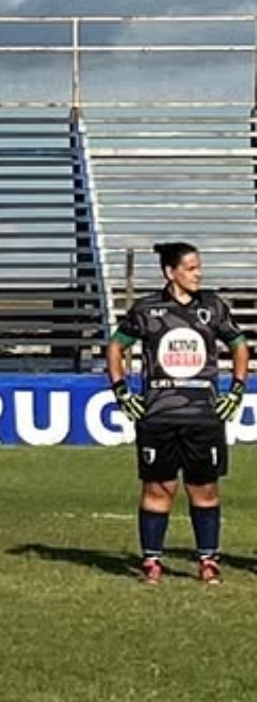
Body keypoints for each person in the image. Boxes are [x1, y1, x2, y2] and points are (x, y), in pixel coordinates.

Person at [106, 241, 248, 586]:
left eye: (199, 267)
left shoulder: (212, 307)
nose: (198, 274)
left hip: (204, 417)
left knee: (205, 490)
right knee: (158, 489)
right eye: (191, 268)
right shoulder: (146, 309)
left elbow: (239, 345)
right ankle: (152, 561)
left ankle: (208, 561)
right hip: (158, 416)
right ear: (171, 272)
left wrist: (237, 390)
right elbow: (116, 346)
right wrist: (121, 390)